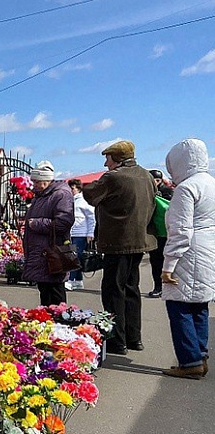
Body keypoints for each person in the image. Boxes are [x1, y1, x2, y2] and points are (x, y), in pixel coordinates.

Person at [82, 140, 157, 355]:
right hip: (140, 241)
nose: (106, 163)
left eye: (108, 158)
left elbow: (89, 194)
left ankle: (117, 341)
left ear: (117, 158)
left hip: (118, 242)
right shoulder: (146, 175)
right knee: (132, 290)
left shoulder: (113, 176)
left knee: (114, 290)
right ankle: (135, 338)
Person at [160, 139, 214, 379]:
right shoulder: (211, 183)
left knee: (179, 306)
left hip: (188, 251)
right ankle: (200, 355)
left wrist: (168, 265)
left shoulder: (186, 188)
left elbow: (181, 230)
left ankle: (189, 360)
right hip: (208, 249)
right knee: (200, 305)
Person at [21, 161, 74, 306]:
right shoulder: (42, 195)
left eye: (37, 181)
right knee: (45, 294)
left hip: (52, 254)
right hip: (42, 254)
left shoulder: (61, 194)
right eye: (33, 181)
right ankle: (48, 325)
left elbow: (63, 223)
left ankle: (60, 327)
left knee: (55, 295)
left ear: (46, 180)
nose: (34, 184)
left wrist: (36, 223)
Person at [147, 169, 174, 298]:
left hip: (167, 233)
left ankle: (167, 286)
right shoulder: (148, 192)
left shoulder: (168, 192)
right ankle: (158, 286)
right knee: (155, 261)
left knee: (168, 262)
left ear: (158, 181)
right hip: (155, 233)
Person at [66, 179, 95, 291]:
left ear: (78, 188)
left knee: (74, 257)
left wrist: (90, 233)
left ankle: (70, 280)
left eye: (72, 188)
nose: (71, 190)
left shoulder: (83, 201)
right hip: (73, 233)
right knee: (76, 256)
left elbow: (91, 217)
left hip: (81, 233)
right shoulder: (71, 201)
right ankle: (78, 281)